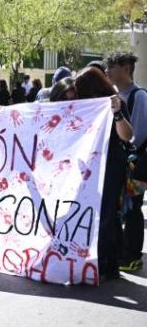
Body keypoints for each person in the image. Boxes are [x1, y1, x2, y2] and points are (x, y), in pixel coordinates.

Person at [75, 66, 133, 280]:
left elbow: (128, 136)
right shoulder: (82, 107)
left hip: (110, 166)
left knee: (108, 214)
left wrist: (116, 113)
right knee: (97, 213)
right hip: (88, 167)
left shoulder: (115, 103)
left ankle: (108, 261)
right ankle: (102, 260)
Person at [105, 51, 146, 272]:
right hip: (121, 165)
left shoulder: (138, 96)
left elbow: (137, 136)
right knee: (121, 210)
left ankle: (132, 255)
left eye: (112, 66)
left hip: (135, 165)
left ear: (126, 69)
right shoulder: (113, 95)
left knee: (133, 209)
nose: (108, 71)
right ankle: (122, 253)